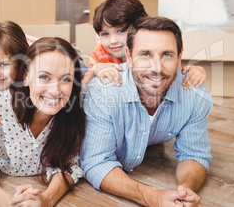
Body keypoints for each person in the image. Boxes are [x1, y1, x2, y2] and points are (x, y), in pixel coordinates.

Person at [80, 16, 213, 206]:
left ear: (179, 57)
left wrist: (186, 190)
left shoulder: (194, 92)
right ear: (128, 56)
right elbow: (97, 162)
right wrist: (150, 196)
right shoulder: (103, 91)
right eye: (145, 55)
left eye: (167, 54)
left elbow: (194, 154)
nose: (157, 68)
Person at [0, 36, 86, 207]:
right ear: (26, 76)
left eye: (66, 79)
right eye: (44, 77)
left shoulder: (76, 104)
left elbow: (69, 165)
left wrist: (47, 199)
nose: (55, 90)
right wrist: (10, 203)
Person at [83, 0, 206, 89]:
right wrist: (94, 71)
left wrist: (197, 71)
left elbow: (171, 72)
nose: (113, 41)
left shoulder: (153, 46)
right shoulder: (100, 53)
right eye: (105, 34)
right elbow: (85, 90)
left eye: (121, 31)